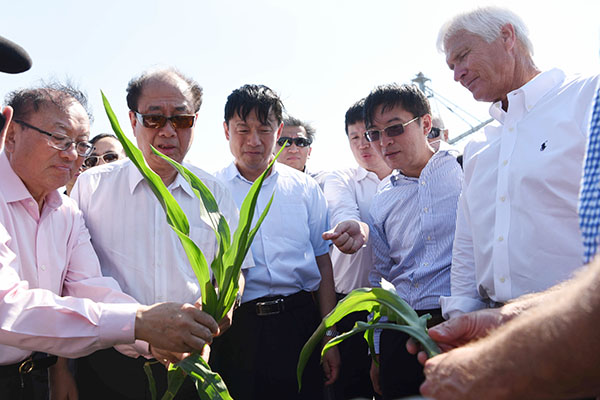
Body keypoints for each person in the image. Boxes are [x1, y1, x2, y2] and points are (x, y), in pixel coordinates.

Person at [0, 82, 218, 399]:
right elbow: (7, 306)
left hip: (32, 380)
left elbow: (91, 288)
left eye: (81, 144)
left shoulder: (67, 214)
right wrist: (140, 321)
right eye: (60, 139)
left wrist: (152, 338)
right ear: (11, 133)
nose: (73, 155)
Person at [71, 68, 244, 399]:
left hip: (192, 362)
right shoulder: (91, 187)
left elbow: (234, 271)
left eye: (181, 120)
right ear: (132, 120)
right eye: (154, 119)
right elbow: (72, 280)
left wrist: (224, 305)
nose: (168, 131)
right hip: (110, 366)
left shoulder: (214, 192)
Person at [438, 6, 600, 319]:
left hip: (579, 324)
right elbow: (467, 244)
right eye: (451, 66)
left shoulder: (587, 98)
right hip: (492, 328)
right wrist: (460, 314)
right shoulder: (477, 148)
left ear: (507, 36)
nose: (457, 75)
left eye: (463, 56)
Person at [210, 84, 340, 400]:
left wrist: (330, 337)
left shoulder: (304, 188)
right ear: (226, 130)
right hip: (237, 329)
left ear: (278, 130)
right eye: (243, 129)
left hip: (299, 324)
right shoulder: (210, 190)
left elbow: (323, 262)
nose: (254, 141)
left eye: (264, 130)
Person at [364, 83, 462, 399]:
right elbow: (380, 279)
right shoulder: (381, 198)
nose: (384, 142)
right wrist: (377, 353)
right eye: (374, 134)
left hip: (459, 324)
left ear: (425, 124)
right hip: (401, 330)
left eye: (394, 129)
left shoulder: (467, 169)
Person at [321, 98, 391, 400]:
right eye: (354, 137)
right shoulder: (342, 178)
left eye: (369, 134)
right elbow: (343, 210)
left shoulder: (409, 179)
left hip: (396, 306)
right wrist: (357, 228)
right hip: (348, 305)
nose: (363, 144)